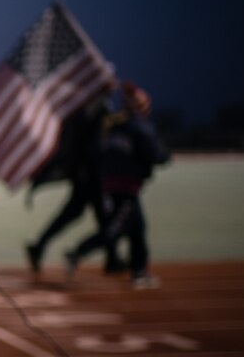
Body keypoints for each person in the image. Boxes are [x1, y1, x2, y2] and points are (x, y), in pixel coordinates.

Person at [65, 81, 170, 289]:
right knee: (115, 230)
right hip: (126, 187)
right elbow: (156, 155)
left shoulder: (114, 127)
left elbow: (97, 151)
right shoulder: (137, 127)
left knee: (137, 229)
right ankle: (78, 252)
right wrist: (162, 155)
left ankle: (139, 271)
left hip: (113, 185)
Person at [24, 85, 122, 275]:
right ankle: (104, 256)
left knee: (86, 215)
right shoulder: (93, 111)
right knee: (101, 217)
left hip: (87, 173)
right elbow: (90, 145)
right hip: (90, 175)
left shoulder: (89, 110)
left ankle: (111, 257)